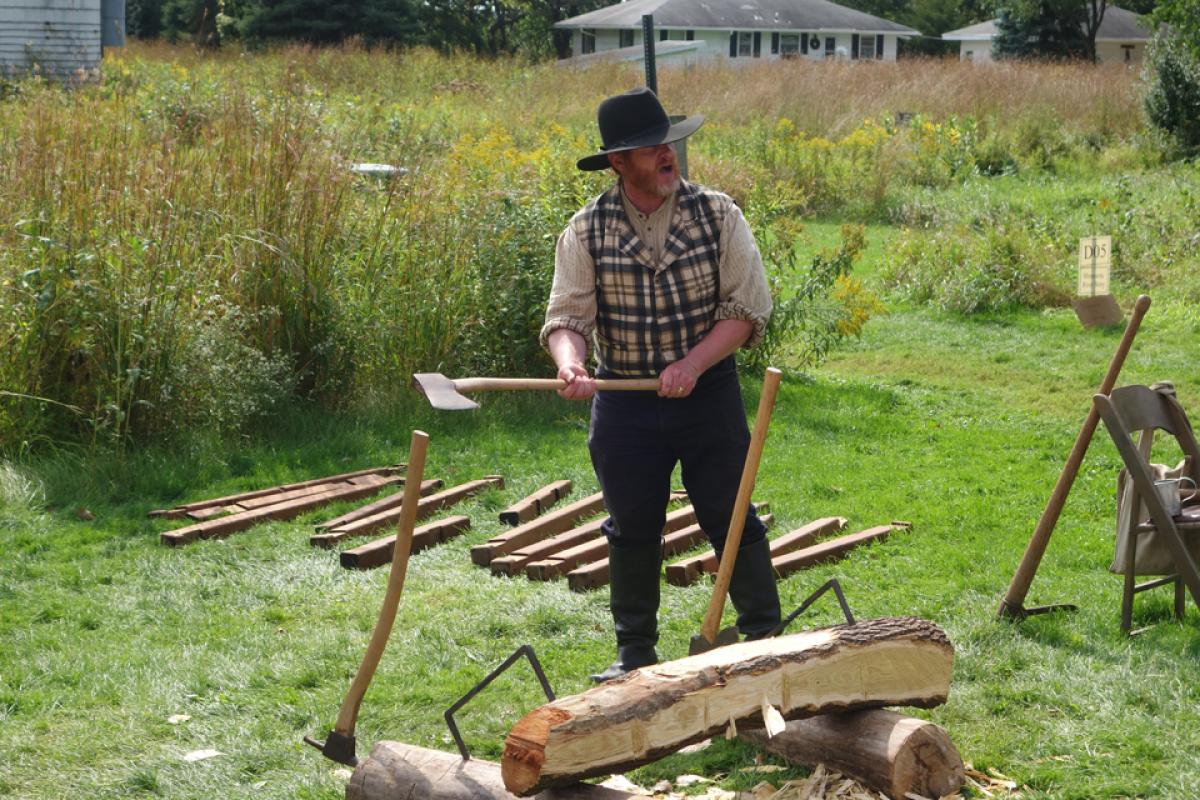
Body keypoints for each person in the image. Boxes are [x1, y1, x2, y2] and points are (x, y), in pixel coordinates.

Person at [540, 87, 781, 682]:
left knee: (728, 511)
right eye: (650, 149)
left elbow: (747, 311)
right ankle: (635, 656)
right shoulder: (585, 229)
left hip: (709, 394)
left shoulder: (719, 215)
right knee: (631, 523)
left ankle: (765, 637)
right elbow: (567, 319)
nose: (667, 155)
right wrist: (571, 363)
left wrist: (693, 364)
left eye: (668, 142)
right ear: (618, 163)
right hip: (624, 401)